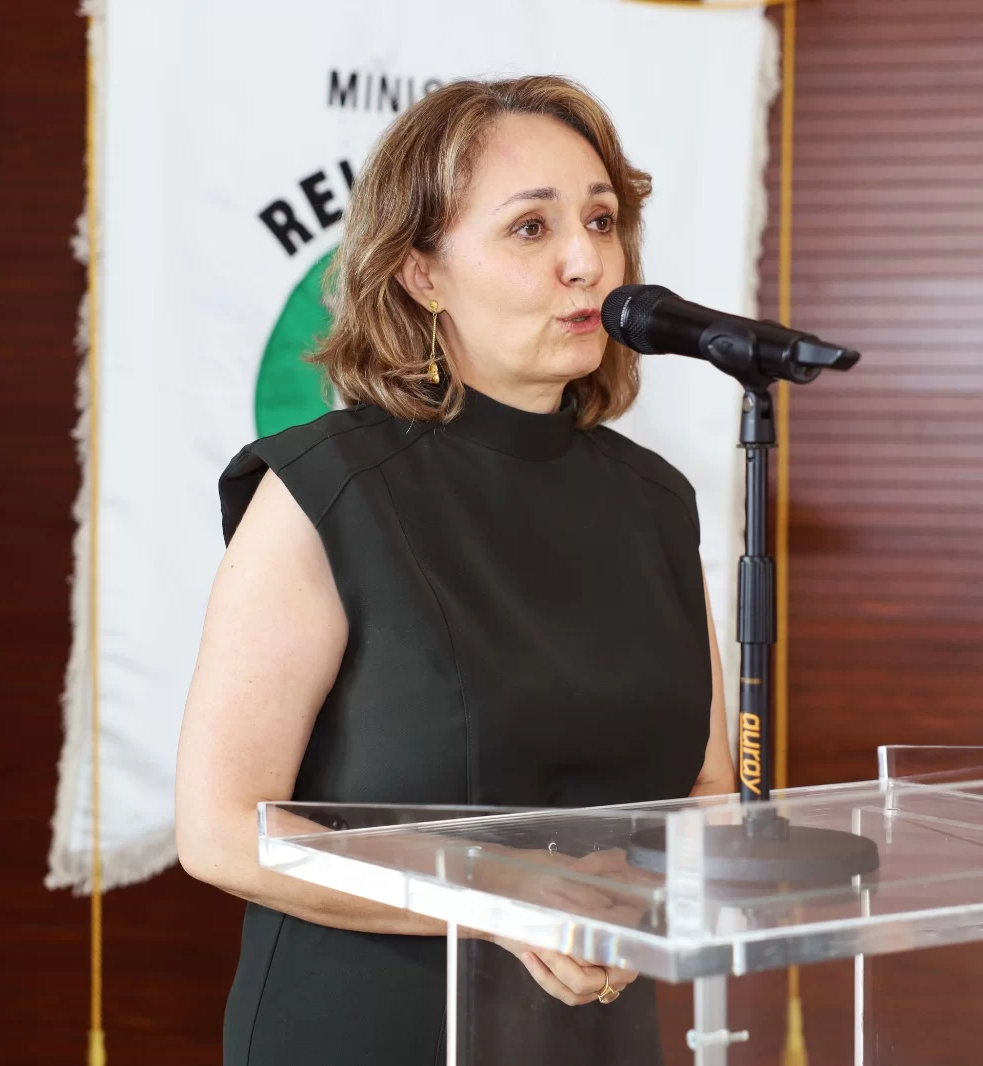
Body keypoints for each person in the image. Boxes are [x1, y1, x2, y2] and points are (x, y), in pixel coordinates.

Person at [174, 74, 735, 1066]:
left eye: (601, 220)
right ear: (421, 273)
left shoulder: (655, 502)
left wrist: (643, 893)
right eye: (531, 227)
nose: (586, 260)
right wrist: (495, 901)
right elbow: (218, 830)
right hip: (366, 1024)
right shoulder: (326, 491)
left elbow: (707, 786)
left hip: (595, 1019)